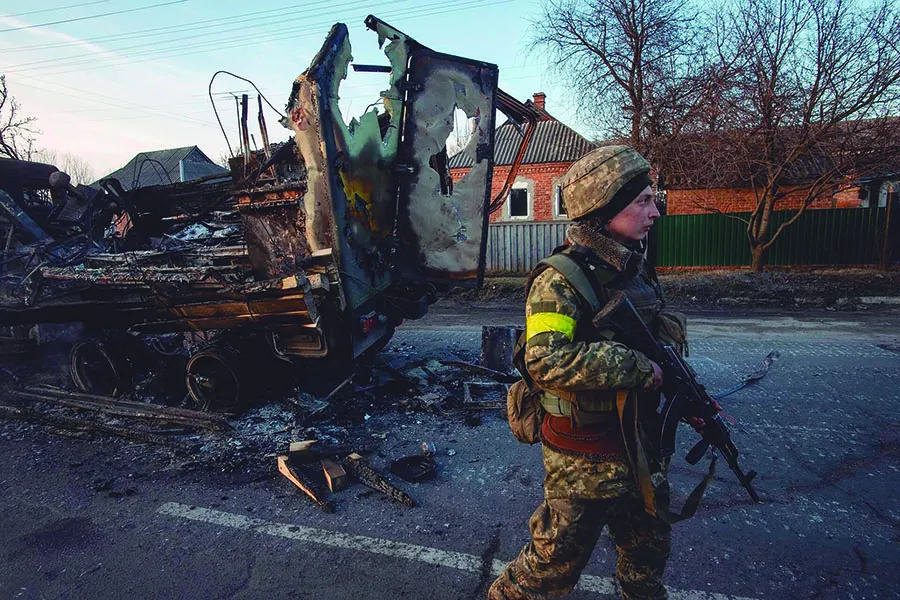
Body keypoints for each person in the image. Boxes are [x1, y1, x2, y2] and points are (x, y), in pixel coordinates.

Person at [489, 145, 686, 600]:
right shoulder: (560, 279)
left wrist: (683, 396)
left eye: (652, 199)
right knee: (549, 570)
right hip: (585, 461)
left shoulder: (635, 268)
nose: (655, 211)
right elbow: (544, 359)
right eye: (643, 201)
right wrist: (637, 368)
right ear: (606, 208)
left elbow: (659, 346)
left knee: (646, 562)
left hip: (640, 448)